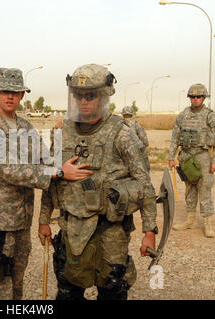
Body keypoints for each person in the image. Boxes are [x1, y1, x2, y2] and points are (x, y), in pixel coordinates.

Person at [38, 64, 157, 300]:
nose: (84, 102)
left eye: (90, 96)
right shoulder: (63, 132)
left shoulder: (121, 133)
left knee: (112, 288)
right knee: (68, 289)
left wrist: (149, 231)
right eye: (79, 96)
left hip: (109, 230)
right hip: (71, 227)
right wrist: (43, 220)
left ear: (103, 96)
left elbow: (144, 184)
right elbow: (53, 178)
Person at [0, 67, 86, 300]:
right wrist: (58, 172)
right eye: (4, 91)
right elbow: (9, 170)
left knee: (17, 282)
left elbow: (45, 158)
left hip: (22, 220)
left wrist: (63, 138)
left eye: (15, 92)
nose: (9, 96)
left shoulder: (26, 128)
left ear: (22, 95)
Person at [168, 83, 215, 238]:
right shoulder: (183, 115)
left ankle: (208, 223)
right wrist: (171, 157)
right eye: (192, 97)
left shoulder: (210, 116)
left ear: (203, 98)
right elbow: (174, 138)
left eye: (198, 97)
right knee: (189, 189)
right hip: (185, 157)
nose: (195, 99)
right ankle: (190, 220)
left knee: (205, 190)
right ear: (189, 98)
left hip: (203, 157)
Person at [121, 106, 150, 170]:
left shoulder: (119, 124)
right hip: (134, 154)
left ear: (123, 114)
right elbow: (143, 138)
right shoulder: (136, 124)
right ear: (132, 114)